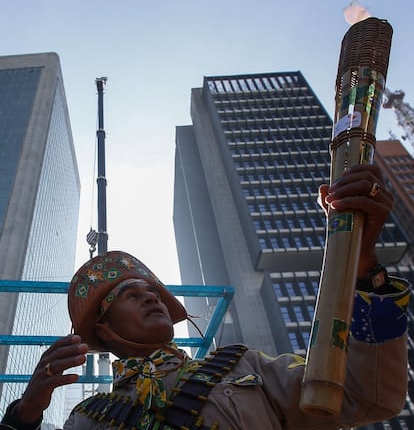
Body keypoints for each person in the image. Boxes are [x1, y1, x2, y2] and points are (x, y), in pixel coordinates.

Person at [1, 164, 410, 430]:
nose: (151, 298)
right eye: (129, 294)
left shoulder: (240, 365)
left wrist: (362, 268)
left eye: (152, 291)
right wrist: (26, 414)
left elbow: (367, 396)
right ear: (104, 329)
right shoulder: (87, 419)